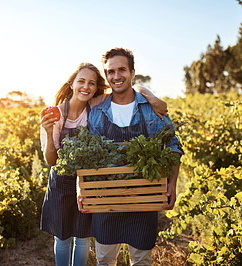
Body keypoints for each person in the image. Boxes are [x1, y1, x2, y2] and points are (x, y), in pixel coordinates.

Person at [39, 62, 168, 266]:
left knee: (82, 238)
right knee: (62, 238)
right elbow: (51, 161)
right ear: (72, 83)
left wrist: (151, 97)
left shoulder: (96, 104)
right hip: (61, 184)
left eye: (91, 83)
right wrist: (47, 131)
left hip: (88, 181)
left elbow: (129, 88)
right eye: (81, 81)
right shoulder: (54, 115)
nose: (86, 87)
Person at [83, 48, 183, 266]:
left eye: (121, 70)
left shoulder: (151, 108)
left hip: (143, 197)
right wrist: (82, 189)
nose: (116, 76)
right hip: (106, 200)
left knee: (141, 260)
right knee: (105, 259)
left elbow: (173, 145)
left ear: (132, 72)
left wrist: (172, 184)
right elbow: (87, 157)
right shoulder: (98, 111)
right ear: (106, 75)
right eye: (110, 72)